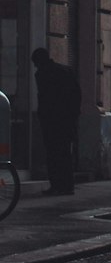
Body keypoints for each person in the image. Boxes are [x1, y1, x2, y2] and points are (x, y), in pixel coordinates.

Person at [31, 48, 82, 196]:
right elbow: (76, 94)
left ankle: (57, 185)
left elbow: (44, 99)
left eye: (35, 63)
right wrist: (74, 116)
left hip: (52, 121)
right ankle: (68, 186)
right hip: (66, 120)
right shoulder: (66, 71)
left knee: (53, 155)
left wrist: (43, 117)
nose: (35, 66)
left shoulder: (42, 74)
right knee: (65, 153)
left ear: (39, 61)